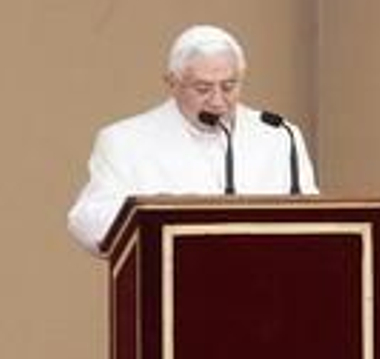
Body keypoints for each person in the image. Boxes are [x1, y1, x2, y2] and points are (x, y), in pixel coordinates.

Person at [67, 24, 318, 254]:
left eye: (229, 86)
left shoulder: (279, 136)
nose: (218, 101)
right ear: (172, 83)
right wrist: (150, 214)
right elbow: (87, 220)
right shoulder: (125, 141)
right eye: (203, 89)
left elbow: (316, 222)